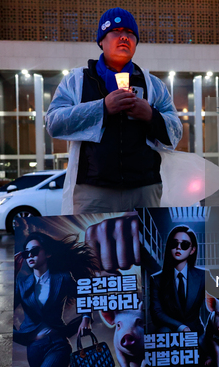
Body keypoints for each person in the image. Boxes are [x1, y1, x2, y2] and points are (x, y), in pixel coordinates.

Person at [46, 8, 182, 215]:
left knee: (145, 247)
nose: (124, 37)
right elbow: (53, 123)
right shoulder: (77, 81)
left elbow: (175, 133)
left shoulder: (153, 84)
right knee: (93, 246)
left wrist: (150, 115)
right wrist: (102, 108)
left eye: (130, 34)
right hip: (93, 191)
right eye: (116, 32)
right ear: (101, 40)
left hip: (144, 190)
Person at [13, 232, 98, 367]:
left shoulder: (63, 278)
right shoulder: (22, 283)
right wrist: (14, 272)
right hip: (34, 349)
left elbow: (83, 295)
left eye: (35, 251)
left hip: (57, 345)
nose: (30, 255)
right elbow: (9, 309)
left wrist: (86, 318)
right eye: (26, 253)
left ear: (48, 253)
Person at [150, 225, 219, 335]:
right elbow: (157, 312)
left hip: (196, 331)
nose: (178, 248)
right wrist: (180, 327)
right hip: (168, 331)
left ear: (192, 250)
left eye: (184, 245)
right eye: (174, 243)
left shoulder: (203, 275)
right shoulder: (157, 279)